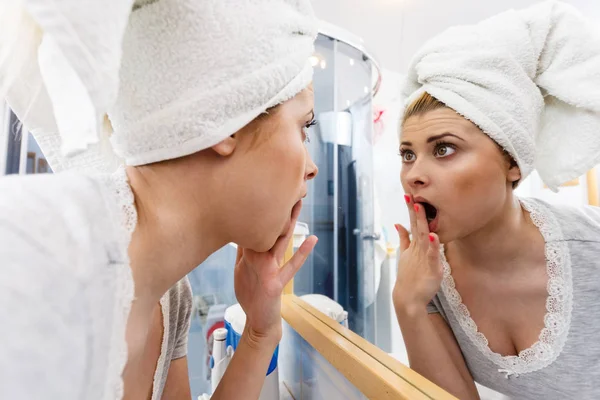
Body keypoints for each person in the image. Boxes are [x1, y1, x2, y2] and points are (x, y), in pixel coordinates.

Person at [0, 0, 319, 399]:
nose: (311, 168)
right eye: (303, 126)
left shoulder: (170, 297)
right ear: (225, 119)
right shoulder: (27, 257)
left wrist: (259, 333)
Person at [392, 2, 600, 399]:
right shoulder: (426, 273)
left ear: (512, 164)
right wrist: (409, 305)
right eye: (407, 153)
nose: (413, 173)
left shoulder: (593, 252)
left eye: (444, 149)